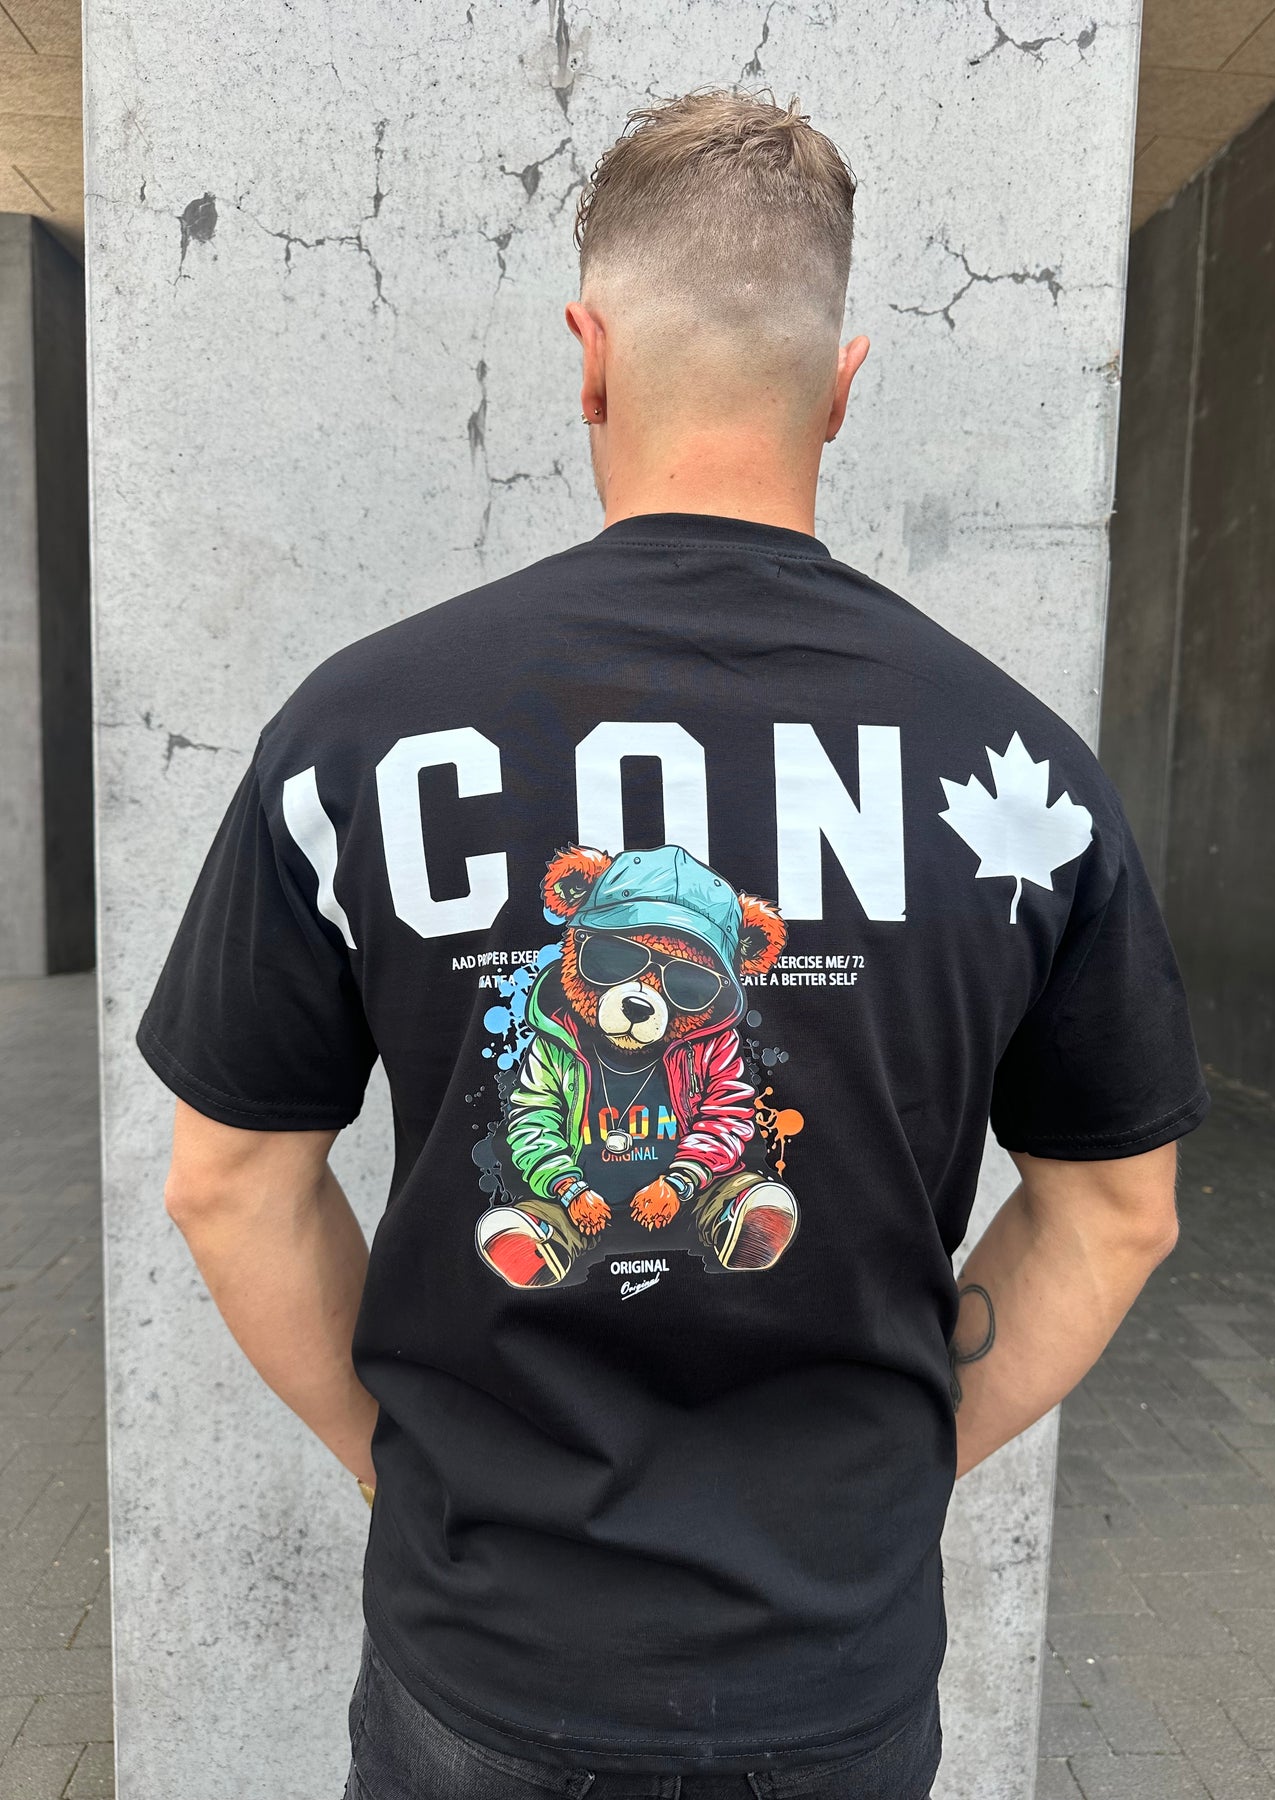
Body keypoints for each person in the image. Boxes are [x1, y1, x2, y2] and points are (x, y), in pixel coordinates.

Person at [140, 90, 1208, 1800]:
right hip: (833, 1666)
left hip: (483, 1651)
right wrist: (892, 1475)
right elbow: (1116, 1210)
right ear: (842, 383)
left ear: (586, 358)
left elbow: (228, 1187)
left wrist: (397, 1468)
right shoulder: (1022, 778)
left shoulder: (358, 735)